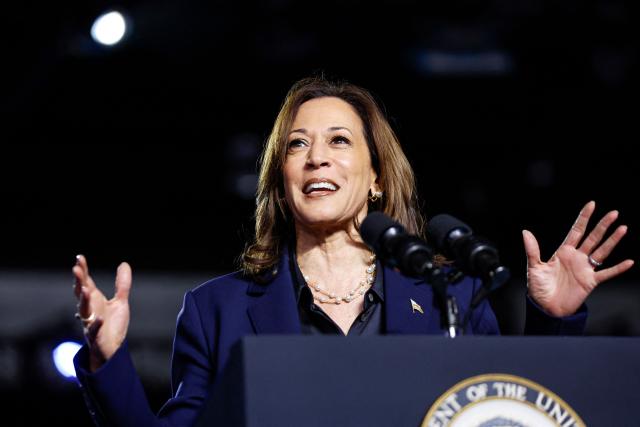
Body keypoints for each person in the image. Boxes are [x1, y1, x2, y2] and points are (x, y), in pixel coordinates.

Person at [72, 76, 634, 426]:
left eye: (339, 140)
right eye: (298, 145)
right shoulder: (215, 309)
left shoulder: (452, 296)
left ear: (376, 178)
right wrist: (107, 359)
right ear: (280, 179)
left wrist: (555, 322)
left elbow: (506, 412)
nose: (317, 157)